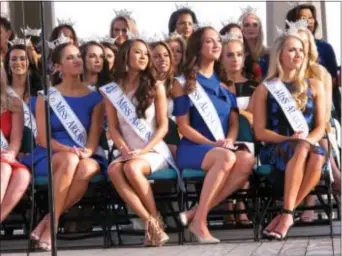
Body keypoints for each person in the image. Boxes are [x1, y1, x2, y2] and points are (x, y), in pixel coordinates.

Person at [22, 38, 106, 250]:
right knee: (69, 161)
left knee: (85, 168)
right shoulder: (47, 97)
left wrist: (86, 151)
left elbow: (94, 135)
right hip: (51, 151)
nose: (77, 60)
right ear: (58, 67)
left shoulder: (95, 97)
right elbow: (41, 138)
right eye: (70, 58)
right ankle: (52, 228)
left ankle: (48, 221)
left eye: (78, 56)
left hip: (85, 152)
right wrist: (70, 150)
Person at [173, 26, 255, 243]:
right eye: (209, 41)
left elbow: (234, 121)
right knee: (226, 157)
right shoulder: (183, 82)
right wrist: (213, 143)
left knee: (246, 159)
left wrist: (230, 138)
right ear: (198, 48)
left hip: (220, 145)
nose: (216, 44)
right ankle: (200, 223)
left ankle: (195, 213)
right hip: (193, 147)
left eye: (218, 40)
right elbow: (183, 127)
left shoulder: (226, 82)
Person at [254, 25, 326, 240]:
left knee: (314, 152)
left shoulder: (315, 84)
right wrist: (288, 139)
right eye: (292, 50)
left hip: (308, 145)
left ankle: (286, 214)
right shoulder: (265, 89)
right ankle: (288, 214)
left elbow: (321, 126)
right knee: (309, 151)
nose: (298, 54)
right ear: (280, 55)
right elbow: (260, 131)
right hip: (277, 148)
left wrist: (308, 140)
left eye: (301, 50)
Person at [102, 39, 171, 247]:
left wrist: (144, 150)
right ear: (126, 56)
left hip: (153, 150)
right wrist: (123, 149)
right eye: (138, 53)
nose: (143, 57)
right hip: (127, 150)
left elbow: (163, 126)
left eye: (145, 54)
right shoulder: (112, 90)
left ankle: (154, 223)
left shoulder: (156, 86)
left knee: (132, 168)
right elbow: (113, 128)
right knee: (114, 171)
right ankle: (152, 223)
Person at [0, 61, 31, 223]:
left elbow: (15, 140)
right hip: (2, 163)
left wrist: (11, 153)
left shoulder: (13, 103)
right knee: (4, 168)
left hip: (5, 155)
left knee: (23, 176)